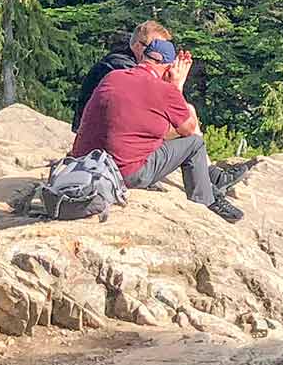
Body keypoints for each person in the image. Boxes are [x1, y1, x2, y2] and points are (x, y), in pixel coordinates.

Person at [69, 31, 245, 224]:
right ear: (169, 67)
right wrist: (177, 86)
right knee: (194, 144)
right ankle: (205, 203)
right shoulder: (164, 89)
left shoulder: (113, 76)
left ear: (143, 57)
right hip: (125, 174)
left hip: (88, 165)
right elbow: (188, 129)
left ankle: (212, 185)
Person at [71, 20, 170, 131]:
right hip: (97, 133)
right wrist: (174, 84)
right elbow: (151, 100)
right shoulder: (120, 66)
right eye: (156, 50)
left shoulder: (124, 60)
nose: (161, 58)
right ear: (138, 46)